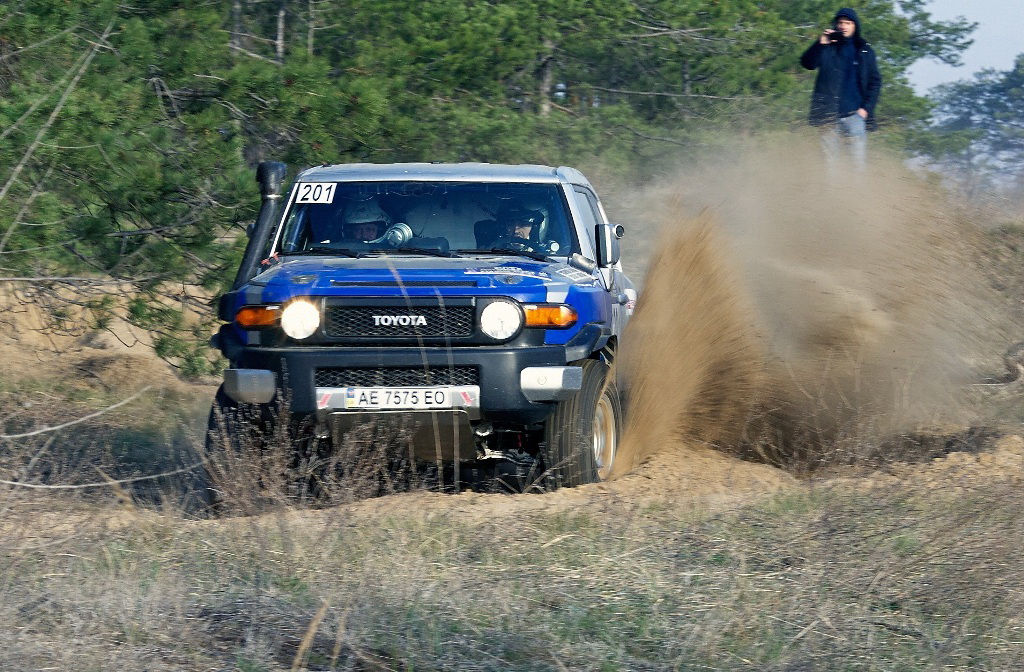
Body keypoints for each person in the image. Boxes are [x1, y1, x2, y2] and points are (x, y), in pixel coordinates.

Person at [800, 7, 882, 170]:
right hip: (828, 117)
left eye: (848, 23)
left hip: (855, 116)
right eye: (840, 23)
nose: (843, 26)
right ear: (836, 25)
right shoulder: (828, 47)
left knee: (857, 166)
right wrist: (820, 43)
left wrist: (865, 109)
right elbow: (807, 63)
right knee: (828, 166)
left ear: (855, 26)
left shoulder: (865, 50)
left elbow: (875, 82)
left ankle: (855, 189)